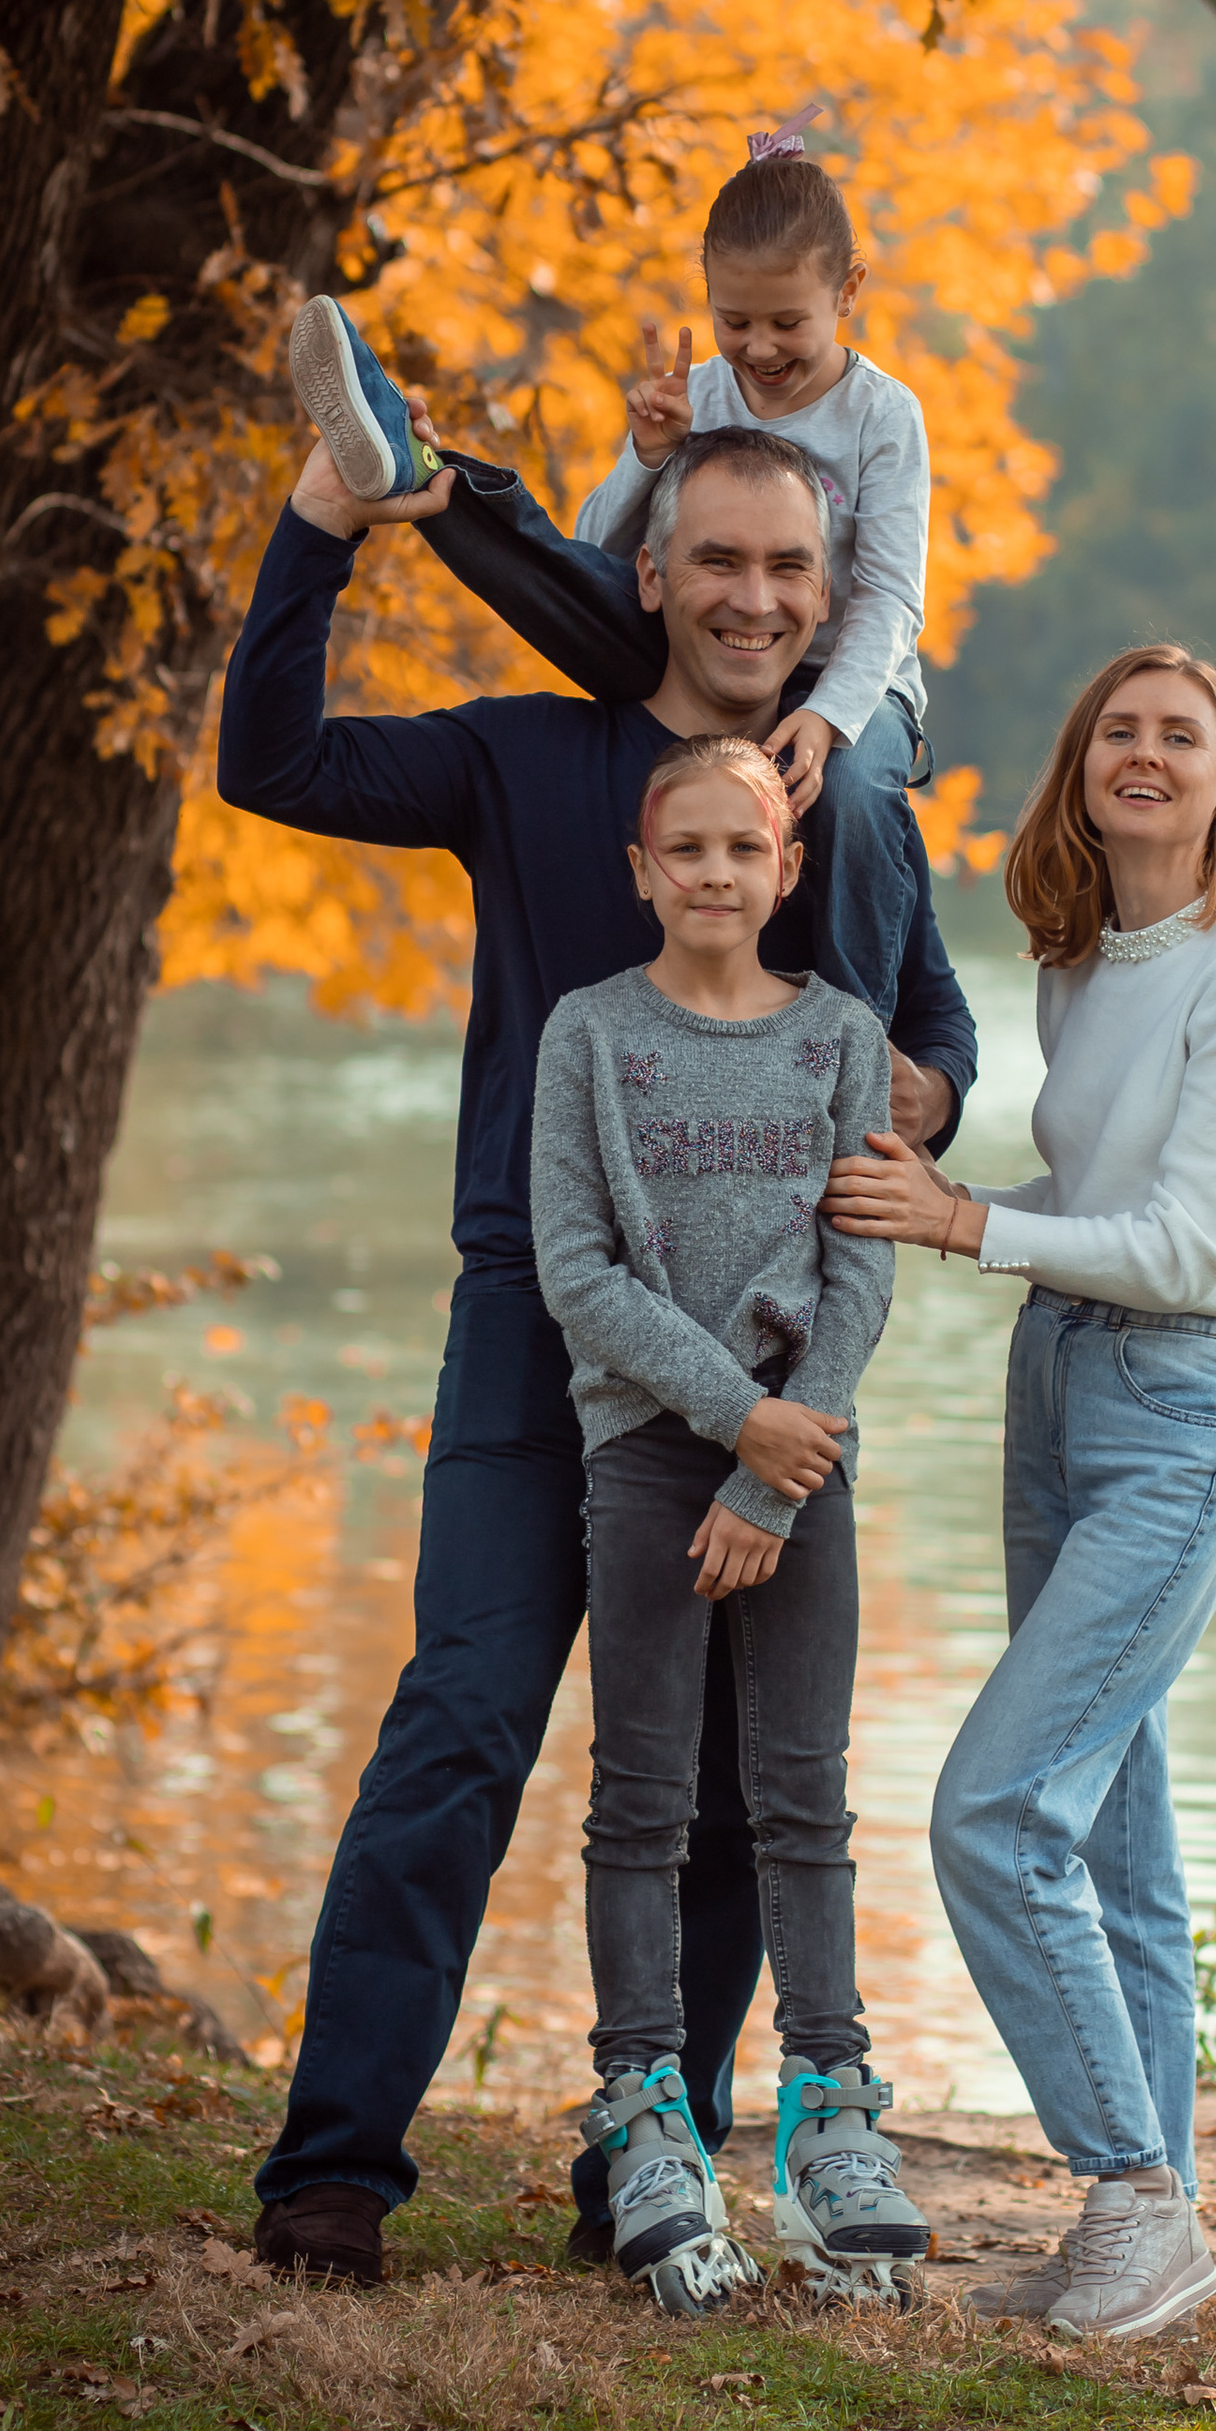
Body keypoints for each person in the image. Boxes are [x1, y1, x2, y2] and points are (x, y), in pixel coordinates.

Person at [219, 415, 976, 2286]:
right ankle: (334, 2168)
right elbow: (274, 760)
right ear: (647, 570)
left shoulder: (840, 805)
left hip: (755, 1372)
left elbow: (942, 1042)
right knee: (463, 1725)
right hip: (534, 1327)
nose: (753, 597)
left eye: (791, 570)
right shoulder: (525, 756)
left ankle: (647, 2160)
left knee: (727, 1781)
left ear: (830, 597)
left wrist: (921, 1098)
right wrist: (322, 528)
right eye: (718, 560)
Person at [825, 644, 1216, 2344]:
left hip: (1179, 1416)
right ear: (1083, 767)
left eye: (1182, 735)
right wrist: (952, 1187)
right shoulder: (1084, 963)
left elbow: (1198, 1248)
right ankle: (1161, 2221)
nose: (1146, 752)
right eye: (1119, 728)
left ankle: (1127, 2189)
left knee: (994, 1808)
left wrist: (967, 1228)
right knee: (1119, 1836)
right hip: (1059, 1384)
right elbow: (1101, 1190)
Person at [530, 729, 929, 2315]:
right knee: (638, 1801)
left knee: (799, 1800)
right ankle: (646, 2115)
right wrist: (724, 1426)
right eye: (683, 849)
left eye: (741, 850)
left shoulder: (838, 1037)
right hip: (644, 1455)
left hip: (806, 1464)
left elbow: (863, 1265)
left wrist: (777, 1468)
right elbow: (577, 1269)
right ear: (642, 869)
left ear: (786, 869)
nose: (713, 873)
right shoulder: (588, 1036)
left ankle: (830, 2113)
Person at [286, 114, 933, 1023]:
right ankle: (417, 465)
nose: (759, 348)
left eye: (789, 322)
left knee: (858, 800)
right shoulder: (700, 392)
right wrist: (648, 453)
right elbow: (591, 555)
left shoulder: (883, 416)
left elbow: (893, 597)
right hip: (709, 652)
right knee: (568, 575)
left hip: (852, 682)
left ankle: (857, 1030)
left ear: (849, 293)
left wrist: (829, 719)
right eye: (733, 320)